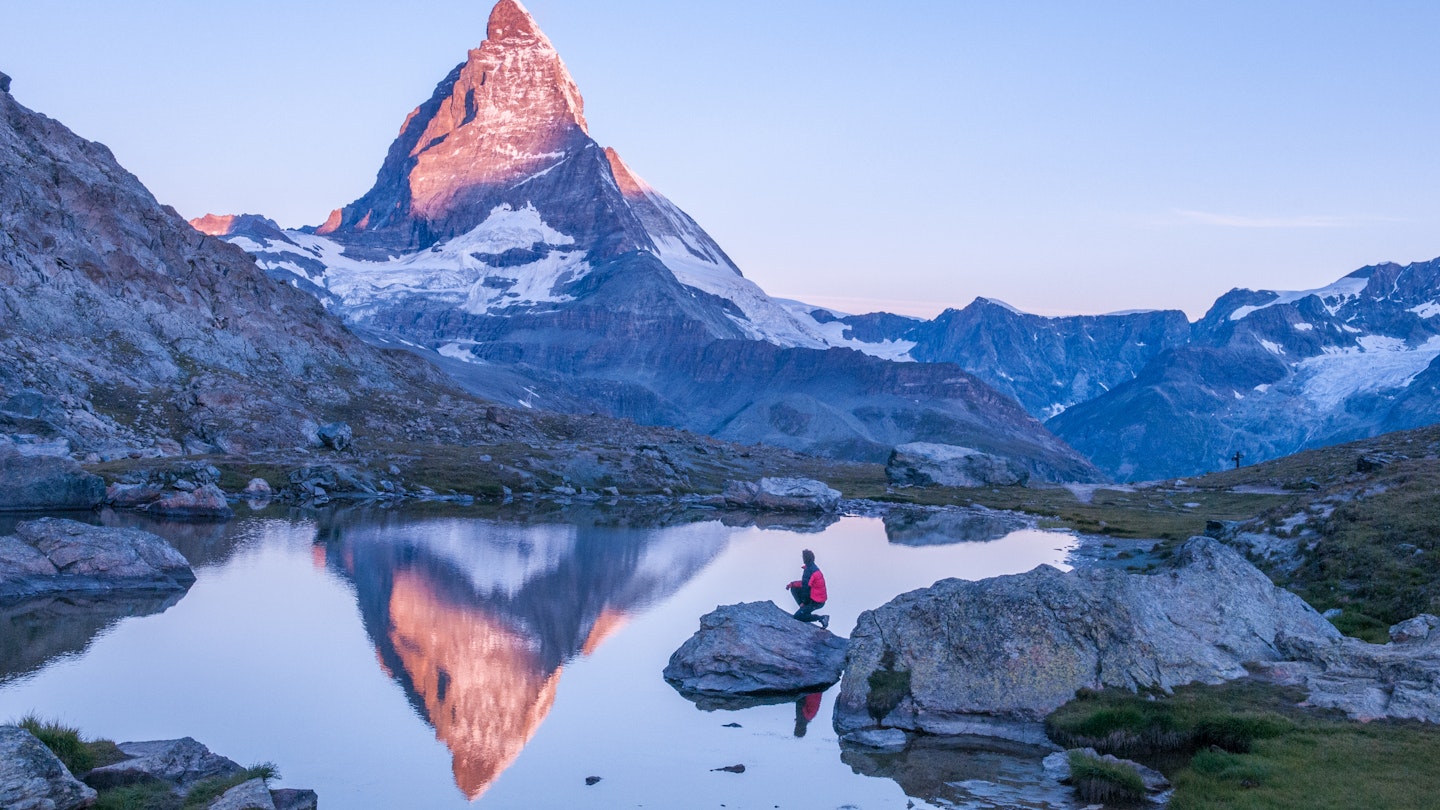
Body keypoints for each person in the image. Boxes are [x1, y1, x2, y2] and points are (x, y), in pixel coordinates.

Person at [786, 549, 829, 629]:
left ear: (805, 559)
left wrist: (803, 602)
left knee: (798, 616)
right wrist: (792, 584)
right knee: (794, 588)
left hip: (816, 602)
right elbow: (805, 583)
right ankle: (804, 609)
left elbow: (806, 589)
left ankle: (822, 618)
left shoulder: (809, 571)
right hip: (815, 598)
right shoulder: (813, 568)